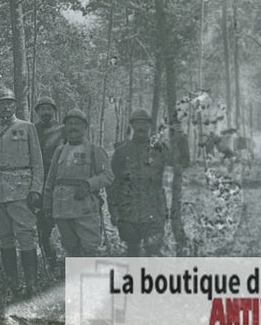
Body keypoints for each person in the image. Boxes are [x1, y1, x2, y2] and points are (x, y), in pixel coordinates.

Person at [0, 88, 45, 297]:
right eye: (1, 103)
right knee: (4, 237)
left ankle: (31, 284)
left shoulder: (27, 128)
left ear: (15, 105)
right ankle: (13, 283)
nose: (5, 107)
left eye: (9, 103)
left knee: (25, 236)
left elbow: (38, 162)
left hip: (20, 190)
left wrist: (36, 189)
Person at [109, 110, 184, 258]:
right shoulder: (121, 152)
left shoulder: (160, 149)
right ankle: (134, 280)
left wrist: (180, 138)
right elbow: (112, 183)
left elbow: (182, 163)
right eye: (137, 123)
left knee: (153, 252)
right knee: (132, 251)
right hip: (128, 212)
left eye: (145, 123)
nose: (141, 126)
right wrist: (114, 211)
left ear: (150, 125)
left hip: (154, 211)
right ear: (132, 125)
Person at [44, 108, 114, 258]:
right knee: (71, 249)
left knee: (89, 249)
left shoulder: (95, 150)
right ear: (65, 128)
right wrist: (47, 205)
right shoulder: (60, 150)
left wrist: (89, 184)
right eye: (69, 124)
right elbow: (51, 182)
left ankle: (89, 281)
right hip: (62, 209)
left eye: (77, 123)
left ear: (85, 127)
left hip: (85, 209)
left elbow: (108, 175)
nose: (73, 127)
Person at [33, 96, 64, 273]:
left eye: (49, 109)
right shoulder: (32, 129)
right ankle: (51, 263)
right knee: (43, 227)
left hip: (62, 184)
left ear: (54, 111)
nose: (46, 112)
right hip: (40, 183)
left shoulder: (64, 130)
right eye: (42, 109)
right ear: (37, 112)